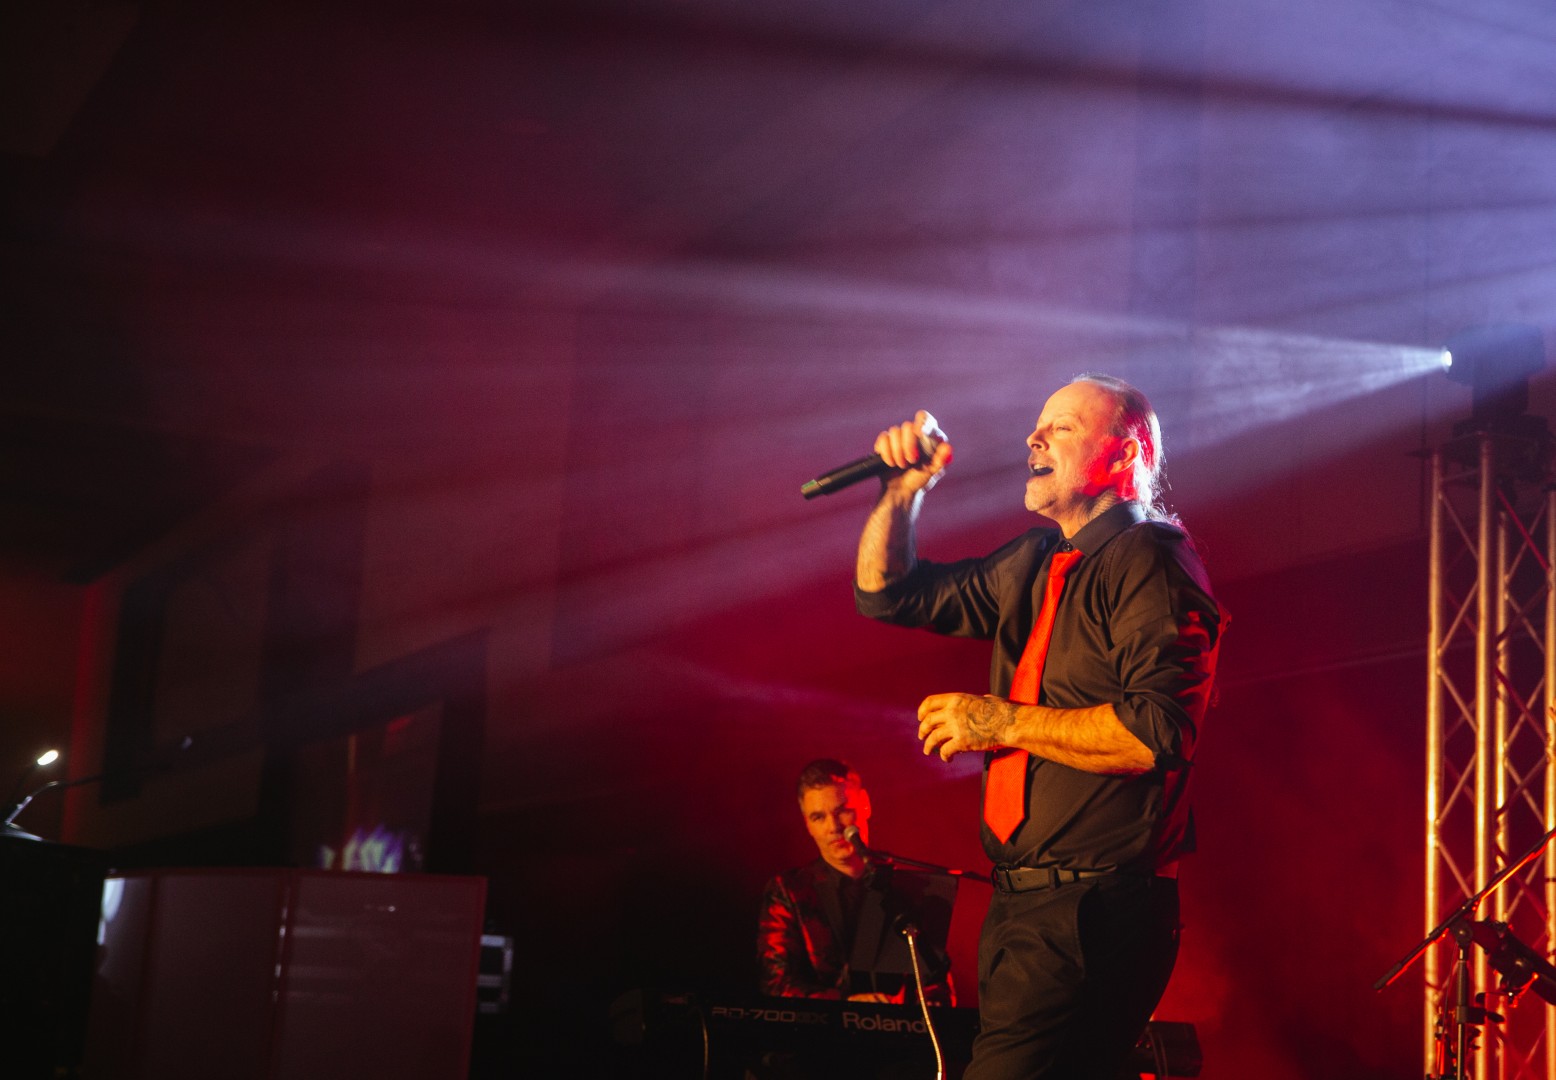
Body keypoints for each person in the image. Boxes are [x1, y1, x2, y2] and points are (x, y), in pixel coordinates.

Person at [854, 374, 1226, 1078]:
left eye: (1061, 427)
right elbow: (886, 593)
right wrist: (902, 492)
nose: (1033, 438)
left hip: (1095, 907)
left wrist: (999, 721)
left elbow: (1158, 731)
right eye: (1037, 425)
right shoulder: (1034, 561)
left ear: (1126, 453)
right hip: (1024, 904)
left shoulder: (1150, 556)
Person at [757, 758, 953, 1005]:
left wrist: (909, 1009)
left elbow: (937, 983)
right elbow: (776, 985)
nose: (833, 827)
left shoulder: (908, 886)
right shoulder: (789, 891)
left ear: (866, 805)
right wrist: (848, 1005)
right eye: (818, 817)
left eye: (842, 811)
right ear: (807, 824)